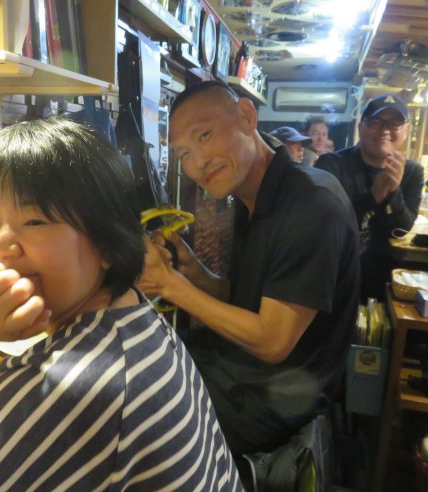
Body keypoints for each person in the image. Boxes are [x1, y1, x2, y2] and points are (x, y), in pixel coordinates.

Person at [0, 118, 242, 491]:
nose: (1, 245)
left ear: (107, 244)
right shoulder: (132, 315)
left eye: (35, 221)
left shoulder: (71, 381)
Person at [138, 80, 360, 486]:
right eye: (183, 154)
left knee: (134, 412)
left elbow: (273, 340)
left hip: (277, 396)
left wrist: (170, 285)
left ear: (246, 116)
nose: (198, 162)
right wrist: (194, 275)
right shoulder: (252, 196)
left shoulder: (312, 204)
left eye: (204, 136)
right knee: (139, 364)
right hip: (241, 368)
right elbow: (251, 299)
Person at [316, 93, 424, 302]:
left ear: (405, 131)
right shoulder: (331, 165)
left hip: (384, 277)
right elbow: (325, 225)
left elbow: (402, 228)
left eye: (395, 124)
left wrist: (393, 192)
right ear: (361, 128)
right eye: (375, 122)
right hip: (335, 275)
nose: (385, 130)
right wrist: (373, 197)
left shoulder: (412, 171)